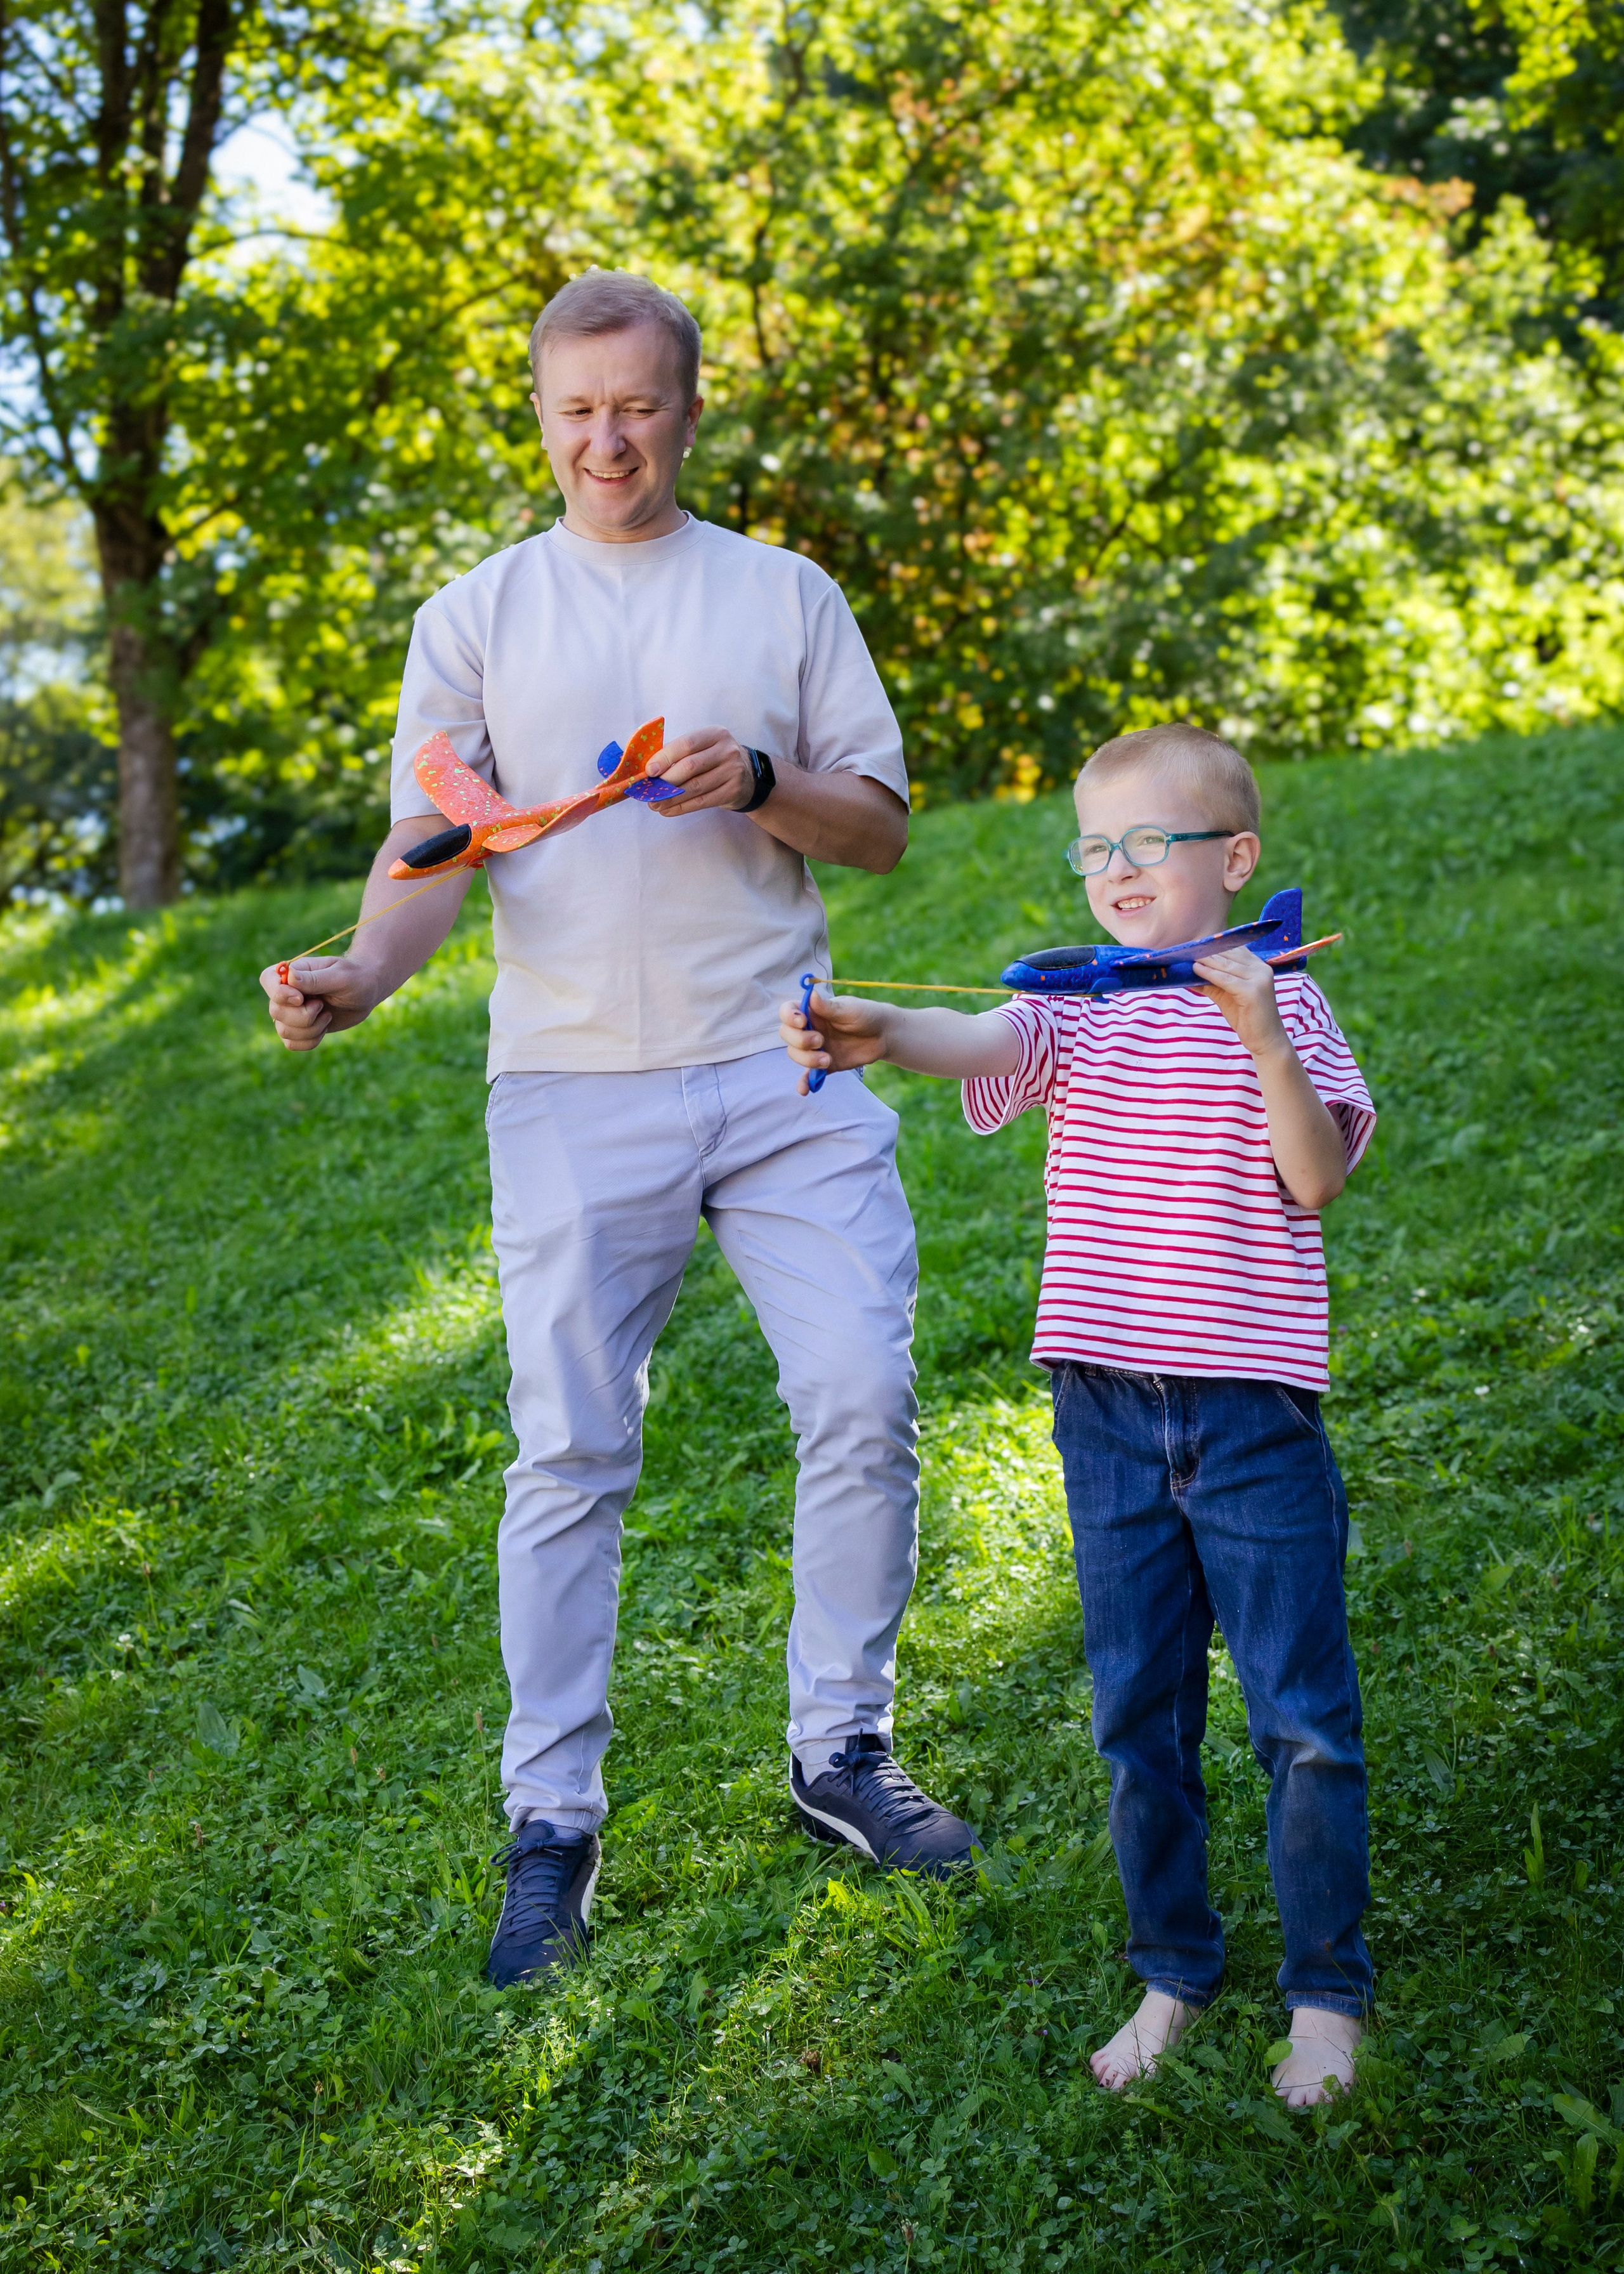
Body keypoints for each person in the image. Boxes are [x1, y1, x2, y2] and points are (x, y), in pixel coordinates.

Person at [260, 270, 978, 1990]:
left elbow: (875, 832)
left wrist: (754, 786)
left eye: (638, 405)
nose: (608, 439)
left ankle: (842, 1755)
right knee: (569, 1452)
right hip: (572, 1089)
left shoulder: (784, 594)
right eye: (576, 408)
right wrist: (363, 973)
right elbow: (437, 848)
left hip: (783, 1064)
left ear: (688, 406)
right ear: (538, 413)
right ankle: (553, 1822)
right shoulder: (476, 617)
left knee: (865, 1392)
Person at [781, 721, 1376, 2110]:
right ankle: (1172, 1964)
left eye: (1146, 845)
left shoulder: (1281, 1002)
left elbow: (1311, 1178)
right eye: (1093, 848)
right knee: (1136, 1716)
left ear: (1230, 861)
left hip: (1247, 1415)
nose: (1114, 871)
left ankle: (1323, 1994)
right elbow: (983, 1028)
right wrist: (881, 1031)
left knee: (1299, 1714)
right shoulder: (1087, 1009)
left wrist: (1251, 1030)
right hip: (1102, 1412)